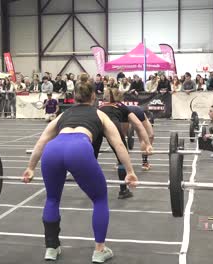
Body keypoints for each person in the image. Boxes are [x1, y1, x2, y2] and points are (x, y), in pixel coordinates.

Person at [22, 82, 138, 263]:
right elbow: (119, 144)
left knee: (52, 199)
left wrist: (30, 168)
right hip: (79, 149)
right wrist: (130, 171)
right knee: (99, 199)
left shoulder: (63, 114)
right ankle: (100, 250)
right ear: (93, 97)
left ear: (75, 97)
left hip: (53, 150)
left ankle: (51, 248)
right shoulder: (99, 114)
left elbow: (42, 141)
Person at [99, 88, 152, 199]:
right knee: (122, 157)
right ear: (120, 98)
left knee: (91, 156)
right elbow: (138, 126)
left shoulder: (100, 107)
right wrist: (148, 144)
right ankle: (123, 191)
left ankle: (92, 187)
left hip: (97, 125)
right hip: (112, 126)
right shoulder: (122, 106)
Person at [126, 105, 155, 170]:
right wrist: (149, 144)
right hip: (136, 113)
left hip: (127, 113)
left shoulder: (140, 112)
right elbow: (149, 135)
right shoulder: (141, 113)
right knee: (148, 136)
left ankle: (120, 162)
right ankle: (145, 163)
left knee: (120, 137)